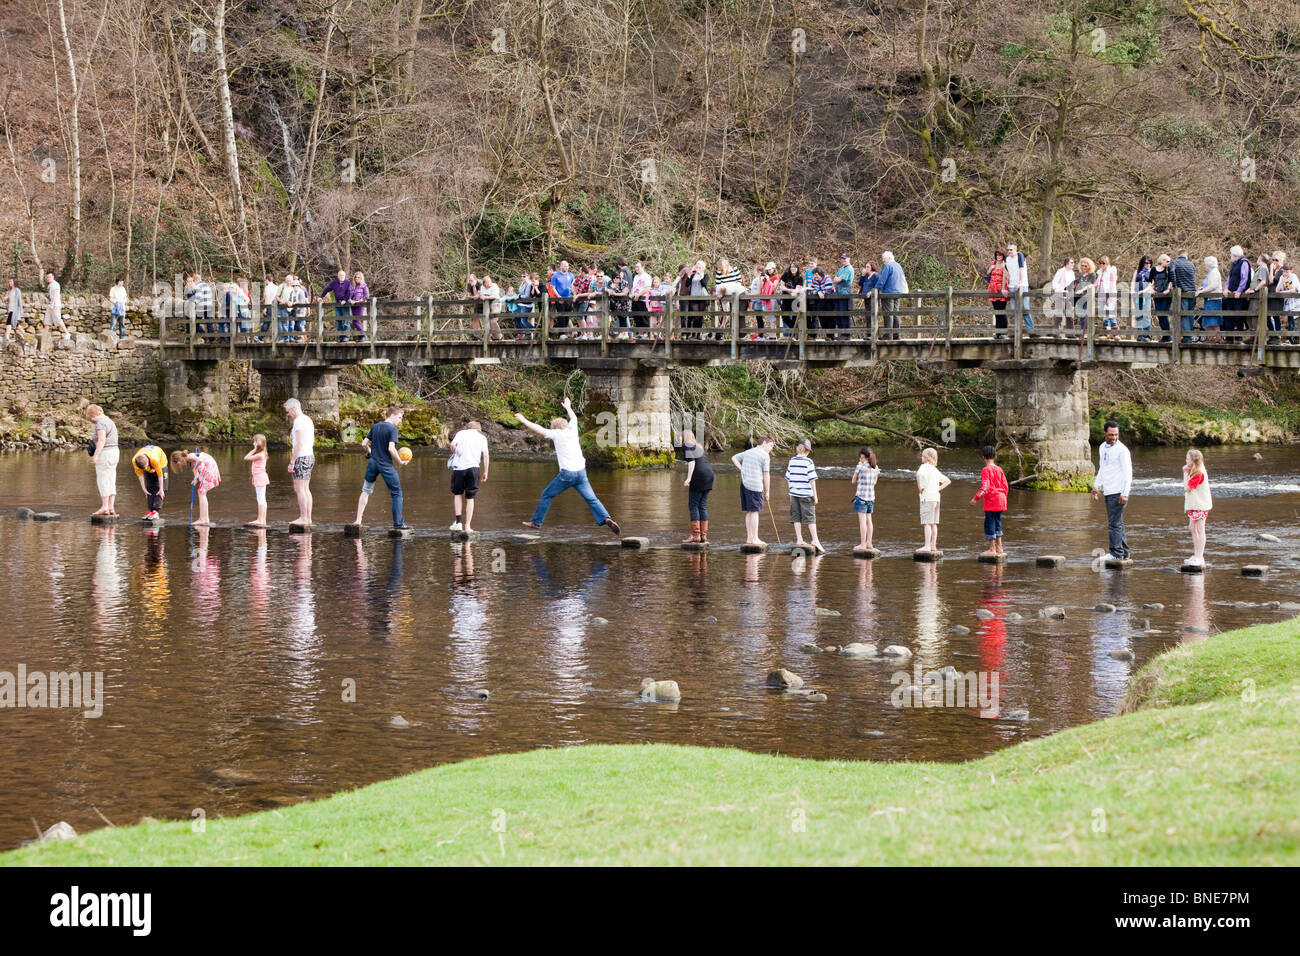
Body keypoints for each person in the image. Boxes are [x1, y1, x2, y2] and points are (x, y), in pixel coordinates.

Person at [516, 396, 621, 536]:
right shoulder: (573, 430)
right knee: (592, 499)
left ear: (555, 427)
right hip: (581, 473)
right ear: (565, 424)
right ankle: (605, 518)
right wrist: (568, 407)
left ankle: (536, 522)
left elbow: (539, 430)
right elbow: (574, 418)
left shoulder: (556, 434)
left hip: (567, 474)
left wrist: (523, 420)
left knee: (547, 494)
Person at [355, 406, 410, 530]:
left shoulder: (376, 426)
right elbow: (391, 448)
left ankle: (358, 521)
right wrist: (400, 461)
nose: (400, 421)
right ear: (392, 415)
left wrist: (370, 452)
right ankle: (398, 524)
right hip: (385, 465)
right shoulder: (392, 429)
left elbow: (364, 444)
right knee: (397, 493)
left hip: (373, 463)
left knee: (366, 490)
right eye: (400, 417)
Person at [1090, 419, 1133, 562]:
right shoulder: (1102, 447)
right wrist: (1096, 486)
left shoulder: (1122, 450)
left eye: (1116, 435)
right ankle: (1125, 552)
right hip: (1108, 490)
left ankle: (1116, 553)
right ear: (1105, 434)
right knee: (1117, 523)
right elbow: (1103, 468)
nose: (1114, 438)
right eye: (1111, 435)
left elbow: (1128, 473)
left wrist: (1125, 493)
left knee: (1114, 524)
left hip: (1119, 492)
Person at [730, 436, 774, 548]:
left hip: (744, 485)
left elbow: (734, 458)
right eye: (771, 446)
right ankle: (755, 538)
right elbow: (766, 474)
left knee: (749, 512)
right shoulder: (765, 455)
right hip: (755, 486)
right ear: (764, 443)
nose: (771, 449)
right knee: (754, 512)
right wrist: (767, 490)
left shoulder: (748, 452)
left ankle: (750, 538)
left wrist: (741, 468)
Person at [448, 420, 490, 533]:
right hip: (473, 468)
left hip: (459, 468)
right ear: (478, 429)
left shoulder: (461, 433)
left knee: (457, 494)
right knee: (470, 498)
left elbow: (452, 445)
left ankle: (458, 523)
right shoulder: (482, 438)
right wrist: (485, 471)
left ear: (468, 428)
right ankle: (468, 526)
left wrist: (455, 452)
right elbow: (485, 455)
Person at [785, 439, 824, 553]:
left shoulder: (792, 460)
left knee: (796, 517)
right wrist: (815, 496)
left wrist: (791, 490)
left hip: (794, 493)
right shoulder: (809, 462)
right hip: (806, 494)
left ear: (798, 448)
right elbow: (812, 480)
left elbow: (788, 478)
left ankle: (799, 539)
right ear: (807, 450)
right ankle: (815, 540)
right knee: (811, 518)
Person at [970, 445, 1009, 557]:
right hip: (1001, 499)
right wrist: (1003, 497)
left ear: (983, 457)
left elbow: (985, 487)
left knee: (989, 523)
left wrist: (975, 498)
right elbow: (1006, 486)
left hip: (992, 501)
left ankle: (992, 549)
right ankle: (999, 547)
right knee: (998, 522)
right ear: (995, 456)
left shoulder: (985, 470)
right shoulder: (1000, 469)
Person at [284, 397, 315, 526]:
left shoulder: (298, 421)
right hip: (309, 456)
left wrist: (292, 461)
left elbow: (299, 443)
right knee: (305, 489)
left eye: (288, 411)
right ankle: (308, 518)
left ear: (293, 409)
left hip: (301, 457)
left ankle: (303, 517)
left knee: (299, 489)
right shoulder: (308, 419)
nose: (288, 414)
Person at [680, 428, 713, 544]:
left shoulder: (686, 445)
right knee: (702, 506)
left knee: (693, 506)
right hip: (709, 475)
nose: (680, 439)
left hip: (699, 476)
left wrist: (688, 478)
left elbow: (692, 462)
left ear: (685, 437)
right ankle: (703, 536)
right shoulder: (698, 446)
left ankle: (695, 536)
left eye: (681, 436)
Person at [171, 448, 221, 526]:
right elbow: (196, 470)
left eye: (179, 463)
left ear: (181, 459)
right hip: (207, 466)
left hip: (209, 466)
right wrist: (195, 479)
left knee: (202, 492)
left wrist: (195, 468)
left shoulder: (190, 456)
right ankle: (204, 518)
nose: (180, 465)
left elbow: (199, 461)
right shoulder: (190, 459)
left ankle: (204, 519)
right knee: (201, 492)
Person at [916, 446, 951, 554]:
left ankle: (927, 546)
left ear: (926, 457)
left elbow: (918, 474)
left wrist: (920, 486)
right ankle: (933, 545)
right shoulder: (935, 469)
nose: (921, 458)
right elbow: (947, 481)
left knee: (926, 522)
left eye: (922, 456)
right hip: (936, 498)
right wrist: (938, 489)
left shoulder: (923, 466)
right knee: (934, 523)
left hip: (926, 499)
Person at [86, 404, 119, 516]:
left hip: (105, 453)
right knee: (111, 479)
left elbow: (101, 440)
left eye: (92, 417)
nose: (92, 420)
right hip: (114, 452)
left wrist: (96, 455)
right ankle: (111, 507)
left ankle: (104, 507)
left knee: (103, 479)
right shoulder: (110, 421)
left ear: (97, 414)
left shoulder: (101, 424)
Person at [1182, 448, 1212, 568]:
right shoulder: (1193, 471)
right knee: (1192, 528)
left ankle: (1200, 557)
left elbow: (1187, 488)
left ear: (1194, 461)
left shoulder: (1199, 473)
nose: (1185, 460)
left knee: (1199, 529)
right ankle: (1196, 555)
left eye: (1187, 459)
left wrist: (1184, 473)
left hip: (1201, 505)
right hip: (1195, 505)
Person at [850, 446, 880, 551]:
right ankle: (869, 543)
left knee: (862, 522)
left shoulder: (860, 467)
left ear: (863, 456)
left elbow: (853, 481)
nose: (859, 459)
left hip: (861, 497)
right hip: (871, 498)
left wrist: (859, 470)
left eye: (860, 457)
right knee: (869, 520)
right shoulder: (876, 468)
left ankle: (863, 544)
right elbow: (875, 482)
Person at [132, 445, 168, 519]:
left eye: (146, 466)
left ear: (147, 461)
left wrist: (161, 489)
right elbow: (140, 476)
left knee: (159, 488)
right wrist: (144, 489)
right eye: (144, 468)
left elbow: (160, 476)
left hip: (161, 464)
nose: (145, 468)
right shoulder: (134, 461)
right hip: (149, 464)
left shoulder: (154, 459)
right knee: (149, 488)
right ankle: (150, 510)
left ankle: (155, 511)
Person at [877, 251, 906, 339]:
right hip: (898, 292)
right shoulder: (898, 266)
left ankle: (888, 335)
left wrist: (876, 289)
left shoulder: (887, 266)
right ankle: (896, 334)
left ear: (889, 258)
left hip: (888, 292)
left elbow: (882, 279)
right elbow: (902, 278)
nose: (883, 260)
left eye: (884, 258)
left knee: (888, 313)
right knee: (895, 313)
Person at [1224, 245, 1252, 336]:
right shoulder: (1234, 264)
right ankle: (1229, 338)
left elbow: (1244, 278)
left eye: (1231, 254)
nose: (1230, 256)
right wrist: (1226, 288)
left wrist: (1239, 290)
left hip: (1239, 295)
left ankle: (1238, 338)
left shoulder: (1244, 263)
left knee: (1238, 316)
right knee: (1229, 315)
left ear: (1235, 255)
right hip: (1231, 293)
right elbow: (1229, 277)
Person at [1004, 243, 1033, 331]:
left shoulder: (1019, 255)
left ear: (1015, 249)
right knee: (1014, 309)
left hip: (1022, 285)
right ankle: (1017, 330)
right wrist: (1005, 287)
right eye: (1008, 250)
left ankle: (1031, 330)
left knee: (1025, 308)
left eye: (1011, 250)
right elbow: (1006, 273)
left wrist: (1020, 282)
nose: (1009, 251)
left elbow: (1021, 269)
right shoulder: (1007, 259)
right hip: (1011, 285)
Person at [1171, 249, 1197, 342]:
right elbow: (1193, 275)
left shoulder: (1174, 263)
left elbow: (1172, 273)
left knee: (1184, 314)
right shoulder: (1191, 264)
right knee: (1190, 313)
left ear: (1178, 255)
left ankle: (1187, 337)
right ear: (1186, 255)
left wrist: (1174, 286)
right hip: (1192, 291)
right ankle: (1190, 334)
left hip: (1182, 291)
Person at [244, 433, 270, 527]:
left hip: (260, 477)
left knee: (261, 499)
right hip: (259, 477)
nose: (253, 443)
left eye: (254, 442)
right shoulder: (262, 453)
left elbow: (246, 458)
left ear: (258, 443)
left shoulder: (260, 454)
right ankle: (262, 519)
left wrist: (254, 449)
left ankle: (261, 519)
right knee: (261, 498)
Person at [321, 269, 352, 339]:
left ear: (345, 276)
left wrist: (344, 300)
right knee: (338, 319)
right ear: (338, 276)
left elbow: (349, 292)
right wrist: (321, 297)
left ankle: (346, 336)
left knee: (346, 319)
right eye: (340, 275)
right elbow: (327, 289)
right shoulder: (334, 283)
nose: (342, 276)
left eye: (343, 275)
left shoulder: (348, 283)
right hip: (337, 303)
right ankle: (341, 335)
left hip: (345, 303)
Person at [1199, 255, 1223, 341]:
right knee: (1209, 319)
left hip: (1214, 299)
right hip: (1209, 299)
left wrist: (1203, 291)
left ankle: (1217, 337)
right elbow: (1209, 284)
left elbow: (1213, 285)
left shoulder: (1214, 272)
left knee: (1214, 320)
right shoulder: (1211, 272)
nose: (1205, 266)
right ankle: (1211, 337)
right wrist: (1202, 288)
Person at [986, 248, 1010, 334]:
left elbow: (1007, 277)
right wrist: (990, 268)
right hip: (993, 289)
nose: (998, 256)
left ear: (1003, 256)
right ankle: (998, 332)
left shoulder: (1006, 264)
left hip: (1001, 289)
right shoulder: (993, 263)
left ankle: (1003, 332)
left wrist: (1003, 268)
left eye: (1000, 255)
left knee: (1002, 311)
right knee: (996, 311)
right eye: (997, 255)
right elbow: (988, 274)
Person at [1151, 253, 1173, 342]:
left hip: (1166, 295)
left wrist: (1168, 289)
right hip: (1157, 294)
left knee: (1163, 314)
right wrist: (1152, 289)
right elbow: (1151, 280)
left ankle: (1167, 336)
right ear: (1162, 260)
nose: (1168, 263)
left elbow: (1172, 280)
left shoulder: (1169, 269)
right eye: (1167, 261)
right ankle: (1165, 335)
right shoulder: (1154, 270)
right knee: (1159, 315)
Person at [1131, 255, 1153, 340]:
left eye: (1150, 263)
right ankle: (1140, 334)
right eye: (1146, 263)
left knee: (1146, 314)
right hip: (1137, 295)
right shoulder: (1137, 271)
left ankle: (1148, 334)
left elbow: (1151, 284)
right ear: (1142, 263)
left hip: (1146, 295)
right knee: (1138, 315)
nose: (1148, 265)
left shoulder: (1151, 272)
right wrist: (1132, 290)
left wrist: (1144, 291)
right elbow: (1133, 282)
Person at [1050, 256, 1076, 328]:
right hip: (1060, 294)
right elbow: (1054, 282)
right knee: (1059, 315)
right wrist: (1059, 291)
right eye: (1071, 262)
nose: (1073, 264)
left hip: (1069, 295)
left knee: (1070, 315)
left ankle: (1070, 334)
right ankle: (1056, 333)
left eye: (1073, 263)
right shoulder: (1060, 271)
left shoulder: (1072, 273)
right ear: (1067, 263)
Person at [833, 253, 855, 334]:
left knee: (844, 314)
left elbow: (838, 280)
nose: (844, 260)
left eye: (845, 258)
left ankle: (846, 334)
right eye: (842, 258)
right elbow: (835, 279)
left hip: (845, 293)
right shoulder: (841, 268)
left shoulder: (849, 268)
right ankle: (841, 333)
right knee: (838, 314)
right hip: (838, 293)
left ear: (849, 259)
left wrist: (837, 279)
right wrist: (837, 279)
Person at [45, 272, 70, 338]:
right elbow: (49, 296)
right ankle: (45, 335)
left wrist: (52, 304)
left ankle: (67, 333)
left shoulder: (55, 284)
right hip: (50, 305)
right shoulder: (49, 285)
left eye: (49, 277)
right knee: (47, 320)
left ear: (53, 277)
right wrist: (48, 303)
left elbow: (55, 295)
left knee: (58, 319)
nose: (48, 278)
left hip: (55, 305)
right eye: (47, 277)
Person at [1096, 255, 1118, 330]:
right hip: (1101, 296)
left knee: (1109, 313)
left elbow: (1111, 286)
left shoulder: (1111, 272)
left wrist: (1108, 297)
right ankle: (1106, 333)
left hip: (1110, 296)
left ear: (1107, 264)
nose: (1102, 265)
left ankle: (1115, 332)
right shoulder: (1100, 273)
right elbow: (1096, 283)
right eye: (1100, 263)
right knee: (1104, 315)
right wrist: (1087, 288)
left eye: (1104, 263)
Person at [349, 271, 369, 341]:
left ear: (361, 278)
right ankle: (361, 336)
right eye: (355, 277)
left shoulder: (364, 285)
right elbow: (349, 295)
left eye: (358, 277)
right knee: (354, 321)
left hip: (360, 305)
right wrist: (350, 300)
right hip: (353, 305)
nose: (357, 278)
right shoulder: (353, 286)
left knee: (356, 320)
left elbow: (366, 296)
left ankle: (363, 335)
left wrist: (358, 301)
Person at [4, 278, 21, 343]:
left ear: (14, 282)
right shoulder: (9, 291)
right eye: (9, 281)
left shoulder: (17, 290)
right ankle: (24, 334)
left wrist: (20, 310)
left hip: (15, 310)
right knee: (16, 324)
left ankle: (6, 338)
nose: (9, 282)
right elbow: (7, 299)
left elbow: (19, 301)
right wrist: (5, 298)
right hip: (10, 309)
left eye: (11, 281)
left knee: (8, 323)